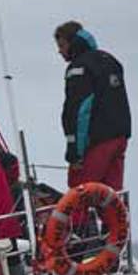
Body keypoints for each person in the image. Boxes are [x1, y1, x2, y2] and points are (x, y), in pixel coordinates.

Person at [54, 21, 131, 190]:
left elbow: (79, 111)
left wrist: (75, 153)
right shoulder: (110, 61)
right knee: (111, 195)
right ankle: (117, 217)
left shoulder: (79, 68)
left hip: (96, 141)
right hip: (120, 137)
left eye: (62, 45)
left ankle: (79, 218)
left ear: (72, 43)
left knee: (80, 191)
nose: (59, 51)